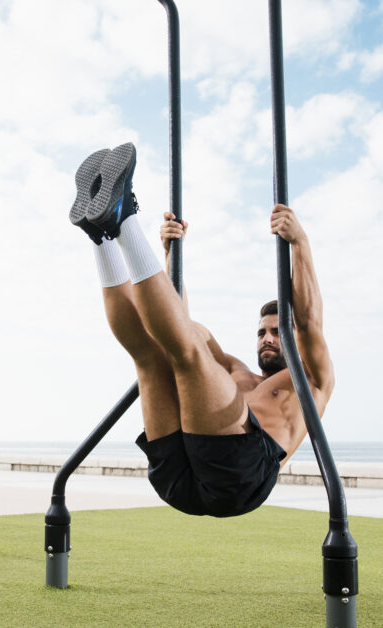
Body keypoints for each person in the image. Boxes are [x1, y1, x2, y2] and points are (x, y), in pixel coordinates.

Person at [68, 143, 334, 517]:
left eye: (277, 331)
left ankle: (124, 220)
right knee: (156, 355)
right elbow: (177, 327)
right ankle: (103, 237)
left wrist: (300, 244)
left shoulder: (311, 379)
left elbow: (308, 322)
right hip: (180, 479)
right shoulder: (236, 372)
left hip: (240, 479)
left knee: (188, 351)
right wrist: (169, 255)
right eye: (262, 333)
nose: (269, 338)